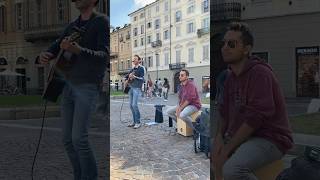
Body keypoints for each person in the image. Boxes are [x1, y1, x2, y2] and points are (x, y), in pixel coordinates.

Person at [212, 22, 293, 180]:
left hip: (270, 138)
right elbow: (223, 112)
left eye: (232, 44)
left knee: (232, 170)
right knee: (212, 156)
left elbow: (255, 119)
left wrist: (227, 149)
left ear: (246, 49)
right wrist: (218, 139)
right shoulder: (229, 77)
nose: (225, 48)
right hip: (244, 137)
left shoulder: (260, 73)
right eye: (224, 44)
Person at [39, 0, 108, 179]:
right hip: (68, 85)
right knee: (68, 140)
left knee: (79, 139)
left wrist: (78, 50)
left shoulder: (101, 22)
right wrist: (46, 54)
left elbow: (104, 56)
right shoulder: (72, 25)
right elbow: (56, 46)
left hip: (87, 86)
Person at [125, 55, 144, 129]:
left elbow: (142, 79)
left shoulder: (141, 68)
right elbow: (126, 77)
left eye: (135, 59)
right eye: (133, 59)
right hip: (130, 88)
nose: (134, 60)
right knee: (131, 105)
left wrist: (135, 77)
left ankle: (138, 122)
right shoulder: (132, 69)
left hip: (136, 88)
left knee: (134, 105)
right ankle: (134, 122)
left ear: (139, 60)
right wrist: (126, 79)